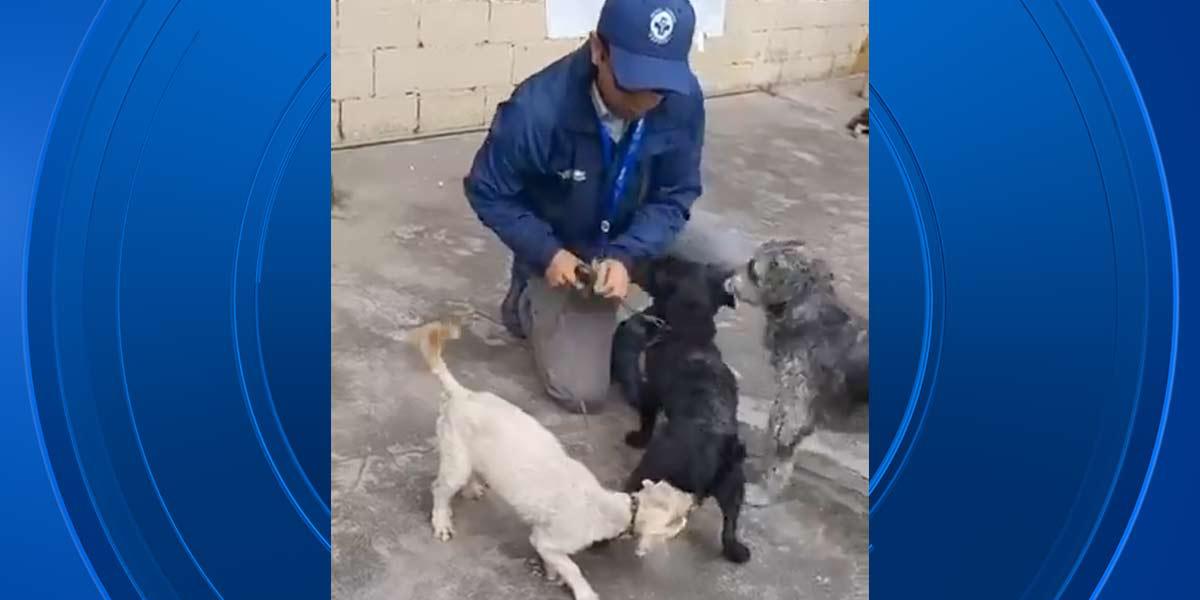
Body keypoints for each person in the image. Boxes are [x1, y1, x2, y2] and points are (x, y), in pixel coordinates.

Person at [464, 0, 734, 413]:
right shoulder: (537, 110)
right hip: (570, 249)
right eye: (631, 83)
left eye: (658, 88)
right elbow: (488, 189)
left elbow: (676, 193)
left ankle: (651, 322)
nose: (644, 101)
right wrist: (546, 252)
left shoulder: (682, 101)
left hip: (632, 228)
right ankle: (526, 298)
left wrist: (626, 255)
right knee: (582, 392)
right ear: (597, 50)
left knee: (731, 261)